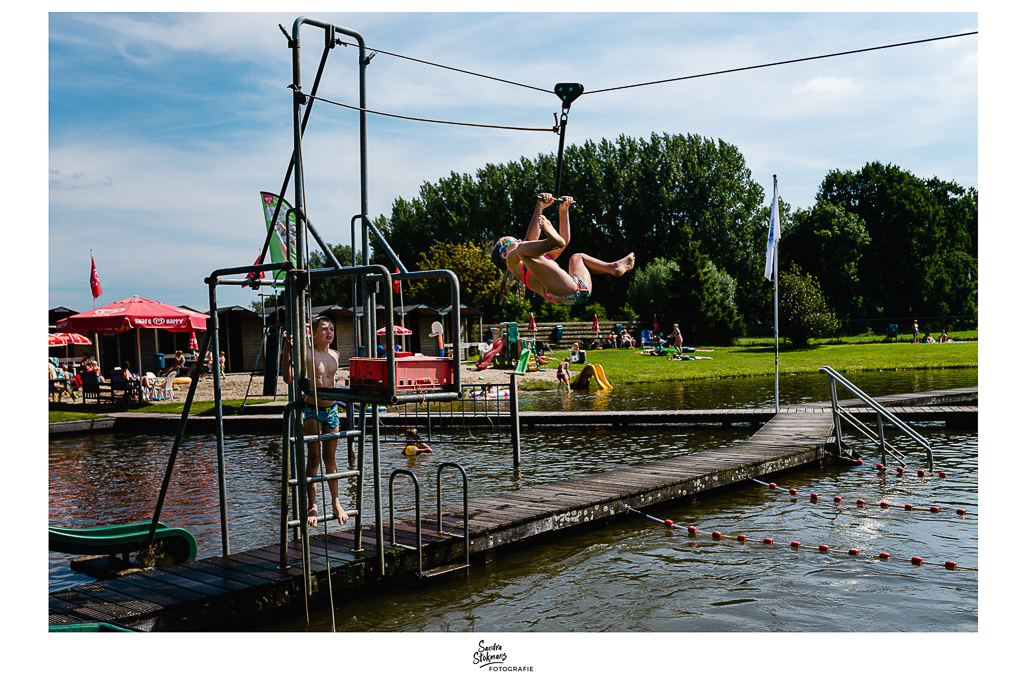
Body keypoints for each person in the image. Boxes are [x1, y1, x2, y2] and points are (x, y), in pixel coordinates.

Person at [491, 193, 634, 307]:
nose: (519, 240)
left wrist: (563, 211)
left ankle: (612, 267)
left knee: (577, 257)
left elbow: (564, 241)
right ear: (504, 254)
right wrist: (539, 209)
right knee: (524, 249)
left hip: (580, 290)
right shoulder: (512, 262)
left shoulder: (541, 259)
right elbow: (529, 242)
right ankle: (551, 240)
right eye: (513, 241)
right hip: (561, 291)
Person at [281, 316, 349, 528]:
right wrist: (287, 352)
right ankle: (312, 504)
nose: (329, 332)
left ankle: (336, 502)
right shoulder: (306, 354)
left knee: (331, 458)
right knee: (314, 458)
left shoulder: (335, 355)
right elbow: (288, 378)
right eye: (324, 329)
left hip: (331, 409)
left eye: (332, 329)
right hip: (311, 409)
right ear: (313, 332)